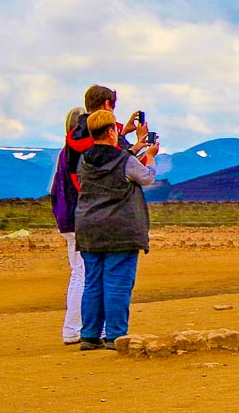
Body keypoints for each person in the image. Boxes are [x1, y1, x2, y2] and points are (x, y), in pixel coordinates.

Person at [74, 109, 158, 350]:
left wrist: (135, 147)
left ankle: (89, 335)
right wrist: (150, 156)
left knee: (93, 282)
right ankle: (115, 336)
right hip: (121, 230)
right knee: (117, 283)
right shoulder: (125, 161)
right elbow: (146, 177)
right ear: (111, 131)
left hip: (89, 228)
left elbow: (113, 162)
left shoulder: (84, 160)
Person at [50, 107, 86, 344]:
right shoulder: (76, 155)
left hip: (67, 219)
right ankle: (73, 328)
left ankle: (72, 328)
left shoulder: (64, 154)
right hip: (79, 218)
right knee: (83, 273)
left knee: (78, 272)